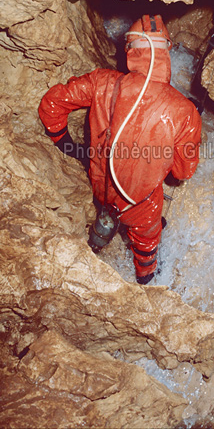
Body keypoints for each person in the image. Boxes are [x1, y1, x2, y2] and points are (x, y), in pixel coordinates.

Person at [38, 14, 202, 284]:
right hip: (140, 204)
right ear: (167, 53)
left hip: (101, 188)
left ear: (129, 50)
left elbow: (53, 102)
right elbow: (184, 172)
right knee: (146, 242)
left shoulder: (102, 82)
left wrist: (67, 145)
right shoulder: (183, 111)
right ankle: (145, 278)